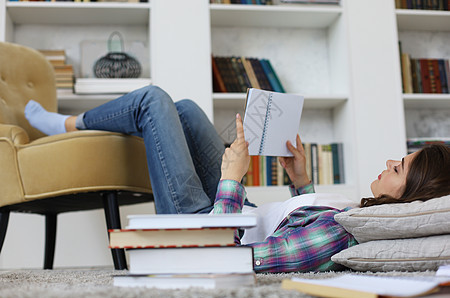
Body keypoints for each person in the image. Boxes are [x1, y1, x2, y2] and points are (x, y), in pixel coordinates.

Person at [24, 85, 450, 273]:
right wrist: (300, 183)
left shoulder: (346, 239)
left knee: (154, 101)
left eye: (399, 168)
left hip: (202, 228)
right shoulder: (366, 214)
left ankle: (68, 123)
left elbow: (233, 260)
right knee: (188, 109)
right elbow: (296, 221)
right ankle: (73, 122)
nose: (390, 162)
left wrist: (232, 179)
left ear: (414, 198)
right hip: (235, 212)